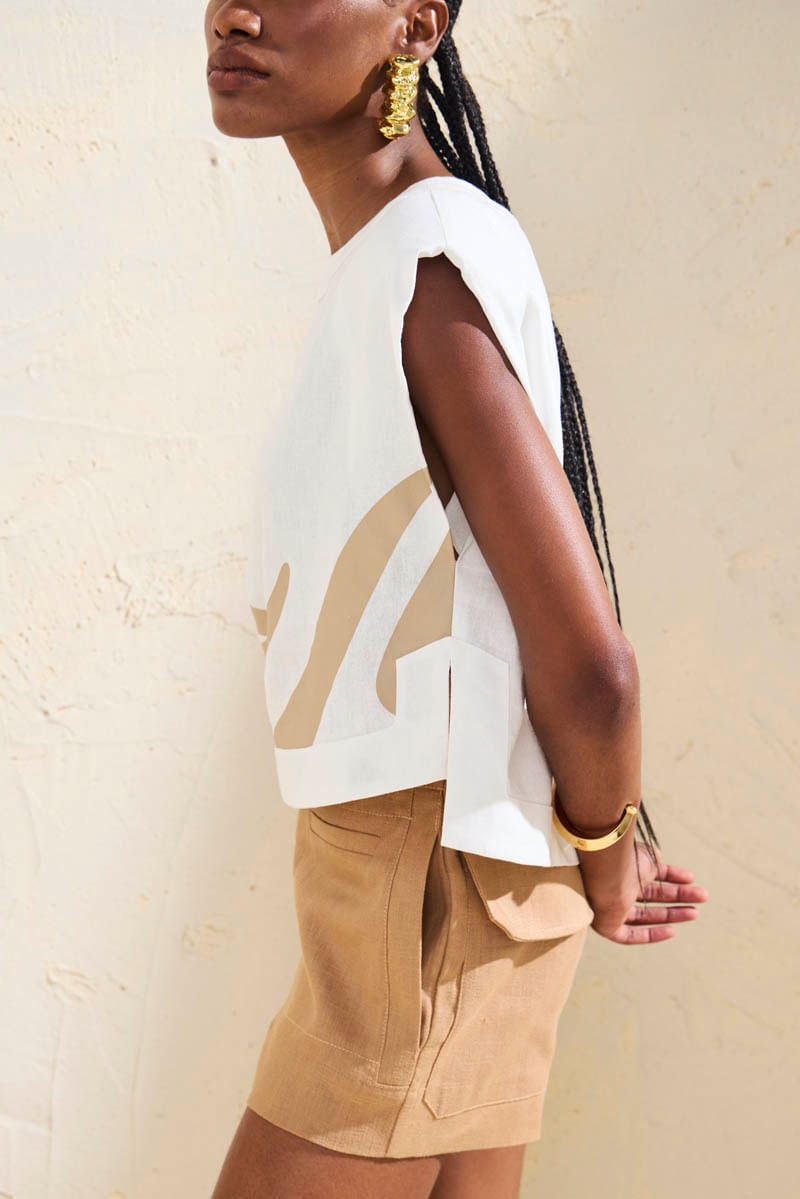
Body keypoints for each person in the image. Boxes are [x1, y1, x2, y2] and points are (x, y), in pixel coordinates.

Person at [204, 2, 709, 1196]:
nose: (236, 10)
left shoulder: (423, 261)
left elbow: (595, 665)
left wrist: (603, 847)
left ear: (414, 27)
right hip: (437, 884)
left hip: (420, 896)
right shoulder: (406, 253)